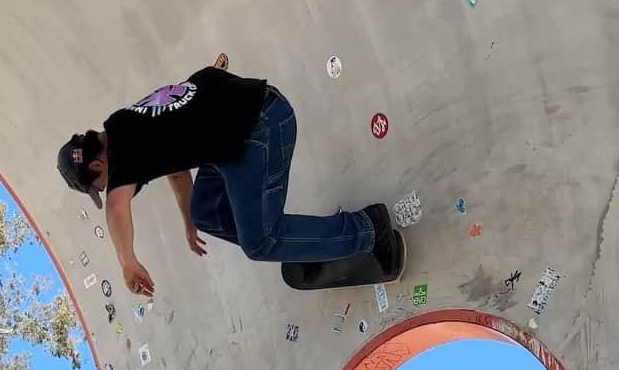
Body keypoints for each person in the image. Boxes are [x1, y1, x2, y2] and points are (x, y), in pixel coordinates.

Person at [57, 55, 402, 297]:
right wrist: (189, 222)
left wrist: (127, 263)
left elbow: (117, 208)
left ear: (97, 167)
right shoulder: (128, 127)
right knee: (205, 212)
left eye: (99, 187)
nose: (108, 190)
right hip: (240, 135)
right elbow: (176, 170)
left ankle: (370, 230)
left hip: (262, 128)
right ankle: (305, 243)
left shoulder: (121, 154)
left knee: (260, 243)